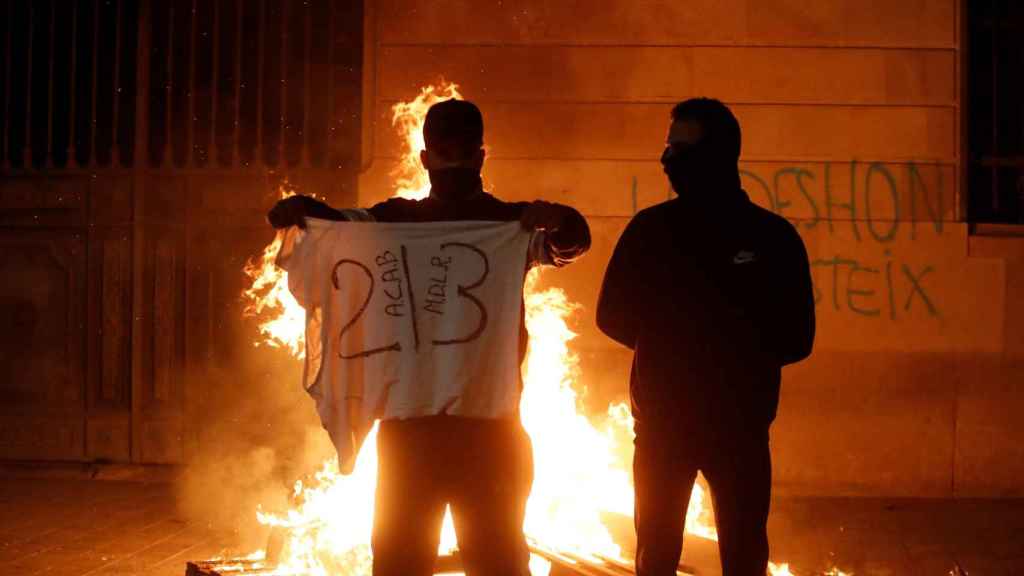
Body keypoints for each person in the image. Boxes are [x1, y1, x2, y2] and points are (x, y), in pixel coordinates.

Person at [268, 98, 591, 576]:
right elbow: (573, 240)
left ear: (428, 159)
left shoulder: (493, 225)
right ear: (482, 156)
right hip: (473, 432)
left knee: (420, 561)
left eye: (455, 153)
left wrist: (555, 217)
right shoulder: (490, 221)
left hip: (430, 432)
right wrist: (556, 217)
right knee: (484, 560)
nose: (455, 163)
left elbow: (571, 239)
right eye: (451, 153)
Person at [596, 98, 815, 576]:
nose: (666, 158)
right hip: (671, 426)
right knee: (665, 554)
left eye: (679, 147)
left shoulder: (769, 238)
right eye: (667, 146)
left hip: (733, 428)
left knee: (733, 555)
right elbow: (610, 314)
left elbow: (798, 333)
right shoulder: (652, 232)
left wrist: (694, 350)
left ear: (718, 155)